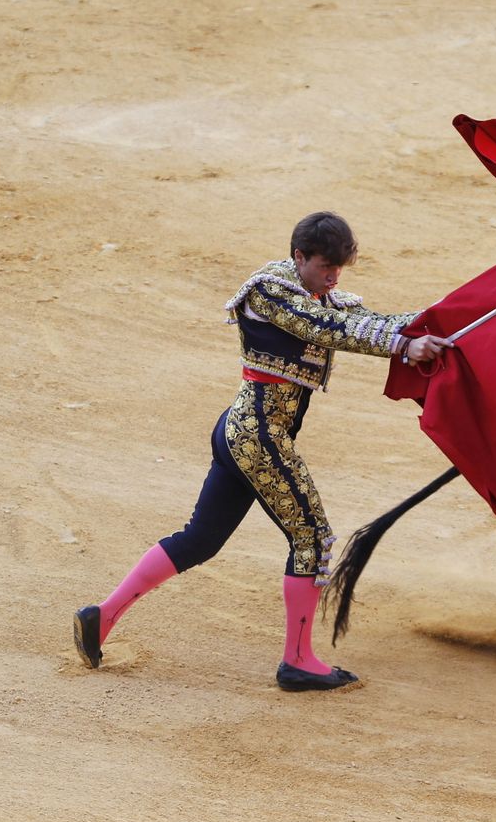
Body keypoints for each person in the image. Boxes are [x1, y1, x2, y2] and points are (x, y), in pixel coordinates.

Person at [72, 211, 451, 691]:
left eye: (339, 268)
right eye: (325, 266)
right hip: (259, 438)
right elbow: (329, 330)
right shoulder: (270, 291)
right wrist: (401, 347)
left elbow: (365, 320)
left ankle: (100, 617)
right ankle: (298, 661)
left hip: (244, 433)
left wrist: (441, 317)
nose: (334, 276)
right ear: (300, 257)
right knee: (312, 538)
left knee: (201, 539)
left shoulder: (319, 295)